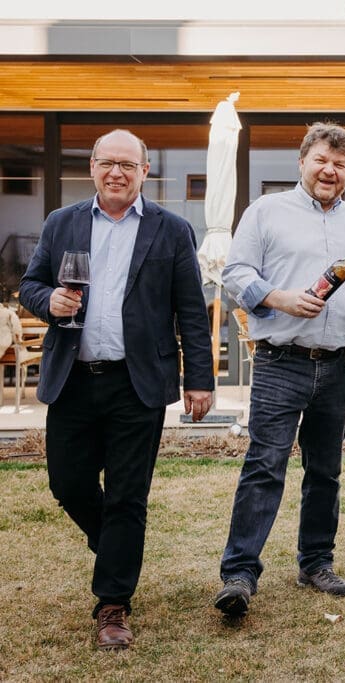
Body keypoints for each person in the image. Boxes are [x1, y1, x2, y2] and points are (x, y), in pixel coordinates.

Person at [19, 129, 214, 650]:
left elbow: (192, 311)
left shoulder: (171, 230)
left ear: (145, 172)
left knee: (128, 496)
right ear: (93, 167)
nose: (118, 173)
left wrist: (199, 378)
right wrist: (49, 302)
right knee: (68, 484)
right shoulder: (63, 223)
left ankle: (112, 603)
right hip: (73, 382)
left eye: (129, 165)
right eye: (109, 163)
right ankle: (116, 551)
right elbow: (30, 284)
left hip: (137, 383)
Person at [214, 122, 345, 617]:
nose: (330, 170)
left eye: (341, 164)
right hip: (280, 361)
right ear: (303, 160)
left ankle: (315, 562)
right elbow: (236, 274)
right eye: (322, 160)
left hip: (337, 363)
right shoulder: (265, 211)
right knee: (265, 467)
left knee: (325, 470)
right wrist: (281, 298)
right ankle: (240, 572)